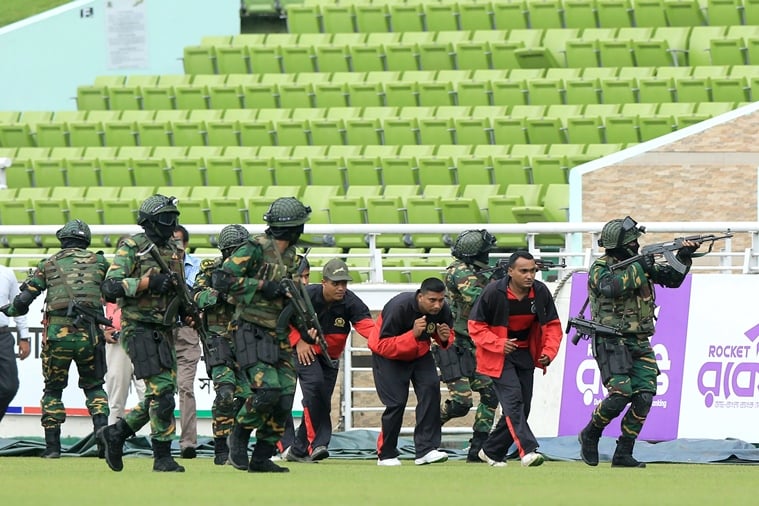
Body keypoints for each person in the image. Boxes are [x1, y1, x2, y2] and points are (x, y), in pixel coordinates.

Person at [578, 217, 698, 468]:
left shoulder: (640, 265)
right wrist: (640, 266)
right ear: (619, 244)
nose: (636, 245)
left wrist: (684, 256)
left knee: (644, 395)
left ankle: (624, 451)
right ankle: (591, 432)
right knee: (621, 394)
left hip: (639, 340)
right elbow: (611, 287)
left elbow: (672, 279)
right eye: (632, 241)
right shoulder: (601, 268)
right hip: (610, 339)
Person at [214, 197, 311, 473]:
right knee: (267, 390)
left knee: (283, 397)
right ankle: (239, 435)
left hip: (278, 333)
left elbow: (291, 299)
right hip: (249, 329)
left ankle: (262, 456)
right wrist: (262, 286)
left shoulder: (292, 257)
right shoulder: (254, 248)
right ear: (292, 228)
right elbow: (221, 280)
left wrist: (306, 329)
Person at [1, 220, 110, 458]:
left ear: (63, 240)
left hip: (57, 336)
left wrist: (6, 310)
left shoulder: (49, 263)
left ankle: (52, 448)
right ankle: (104, 442)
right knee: (94, 387)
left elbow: (23, 301)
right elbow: (112, 290)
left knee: (53, 390)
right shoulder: (100, 262)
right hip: (90, 336)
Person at [97, 194, 188, 473]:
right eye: (165, 219)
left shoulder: (174, 249)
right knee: (162, 392)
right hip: (139, 328)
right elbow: (110, 287)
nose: (171, 224)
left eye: (174, 218)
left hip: (165, 328)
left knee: (161, 391)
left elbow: (179, 285)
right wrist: (148, 282)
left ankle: (116, 433)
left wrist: (187, 309)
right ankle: (162, 455)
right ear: (149, 222)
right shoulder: (133, 246)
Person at [469, 251, 563, 468]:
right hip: (497, 356)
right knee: (514, 402)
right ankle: (528, 451)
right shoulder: (492, 292)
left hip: (525, 354)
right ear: (510, 271)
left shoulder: (540, 292)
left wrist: (548, 352)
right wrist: (499, 344)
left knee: (523, 407)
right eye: (523, 271)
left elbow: (552, 327)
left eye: (533, 271)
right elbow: (476, 327)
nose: (529, 275)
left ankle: (491, 450)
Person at [284, 258, 374, 463]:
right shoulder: (306, 296)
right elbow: (284, 320)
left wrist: (388, 340)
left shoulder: (351, 302)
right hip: (306, 351)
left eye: (344, 283)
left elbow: (368, 327)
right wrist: (298, 342)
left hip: (330, 357)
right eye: (336, 283)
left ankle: (298, 450)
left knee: (322, 401)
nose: (341, 288)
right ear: (324, 282)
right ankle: (319, 444)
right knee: (314, 387)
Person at [368, 277, 453, 467]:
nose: (438, 305)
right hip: (388, 356)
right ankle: (386, 454)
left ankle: (426, 450)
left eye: (441, 300)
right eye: (432, 300)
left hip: (419, 353)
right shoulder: (399, 307)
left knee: (431, 389)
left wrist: (444, 338)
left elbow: (445, 338)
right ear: (420, 297)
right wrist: (412, 335)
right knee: (396, 402)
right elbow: (382, 345)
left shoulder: (443, 309)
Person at [438, 230, 499, 462]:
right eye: (485, 252)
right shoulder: (459, 271)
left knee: (491, 393)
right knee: (462, 403)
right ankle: (432, 424)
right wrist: (500, 282)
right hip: (454, 344)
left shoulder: (478, 271)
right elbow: (477, 298)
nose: (488, 256)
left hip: (474, 344)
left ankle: (478, 448)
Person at [193, 224, 250, 465]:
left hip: (248, 340)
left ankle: (237, 441)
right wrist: (221, 294)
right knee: (225, 393)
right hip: (219, 340)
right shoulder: (211, 269)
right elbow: (196, 297)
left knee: (251, 397)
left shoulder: (255, 272)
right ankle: (221, 448)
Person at [276, 255, 310, 460]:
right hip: (276, 351)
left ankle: (300, 445)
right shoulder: (276, 295)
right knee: (280, 398)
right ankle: (282, 445)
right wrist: (298, 340)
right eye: (301, 276)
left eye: (307, 276)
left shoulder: (307, 295)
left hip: (299, 353)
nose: (305, 282)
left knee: (307, 397)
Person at [173, 225, 201, 459]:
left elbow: (193, 294)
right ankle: (160, 439)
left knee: (185, 386)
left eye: (179, 241)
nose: (175, 245)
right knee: (159, 389)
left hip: (186, 331)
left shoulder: (197, 265)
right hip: (161, 332)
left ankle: (188, 442)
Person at [104, 300, 145, 424]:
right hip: (117, 340)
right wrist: (102, 330)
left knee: (152, 397)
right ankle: (114, 438)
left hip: (144, 338)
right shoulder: (106, 280)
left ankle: (158, 440)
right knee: (116, 399)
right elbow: (94, 299)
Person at [0, 264, 31, 422]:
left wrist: (24, 337)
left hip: (2, 336)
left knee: (9, 386)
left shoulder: (6, 273)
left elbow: (17, 306)